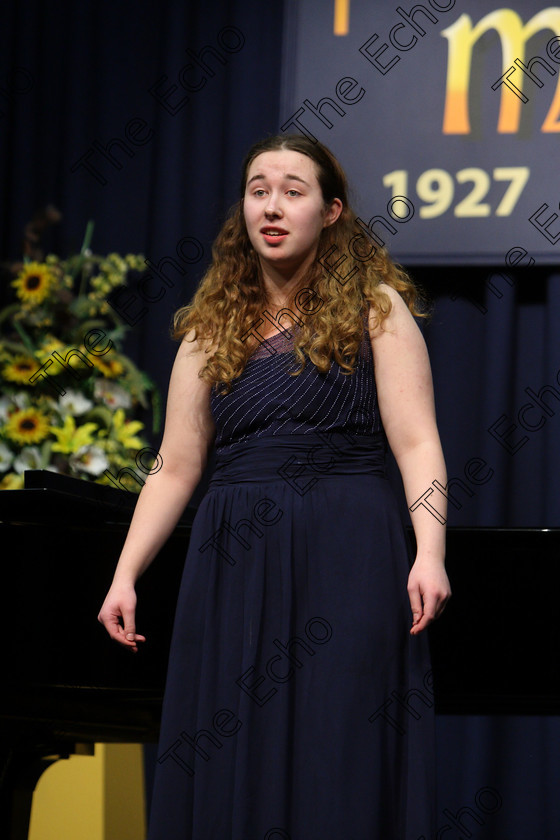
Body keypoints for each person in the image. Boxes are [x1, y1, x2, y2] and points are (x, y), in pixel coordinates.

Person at [98, 134, 451, 840]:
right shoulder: (209, 330)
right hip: (234, 557)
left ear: (331, 212)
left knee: (338, 747)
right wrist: (125, 573)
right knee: (230, 745)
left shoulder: (375, 309)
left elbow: (418, 443)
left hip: (348, 547)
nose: (272, 205)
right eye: (259, 189)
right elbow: (175, 463)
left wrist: (432, 551)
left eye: (294, 190)